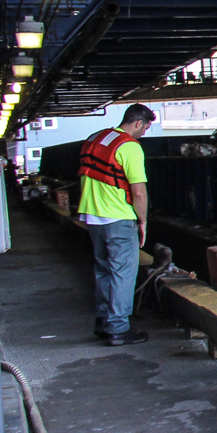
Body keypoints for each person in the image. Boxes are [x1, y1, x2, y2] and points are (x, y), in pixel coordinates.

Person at [78, 104, 154, 346]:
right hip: (118, 218)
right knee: (123, 273)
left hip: (92, 217)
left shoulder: (95, 138)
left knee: (103, 270)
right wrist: (142, 220)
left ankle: (103, 321)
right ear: (138, 123)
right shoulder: (130, 147)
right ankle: (119, 328)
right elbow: (138, 192)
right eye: (146, 128)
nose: (144, 134)